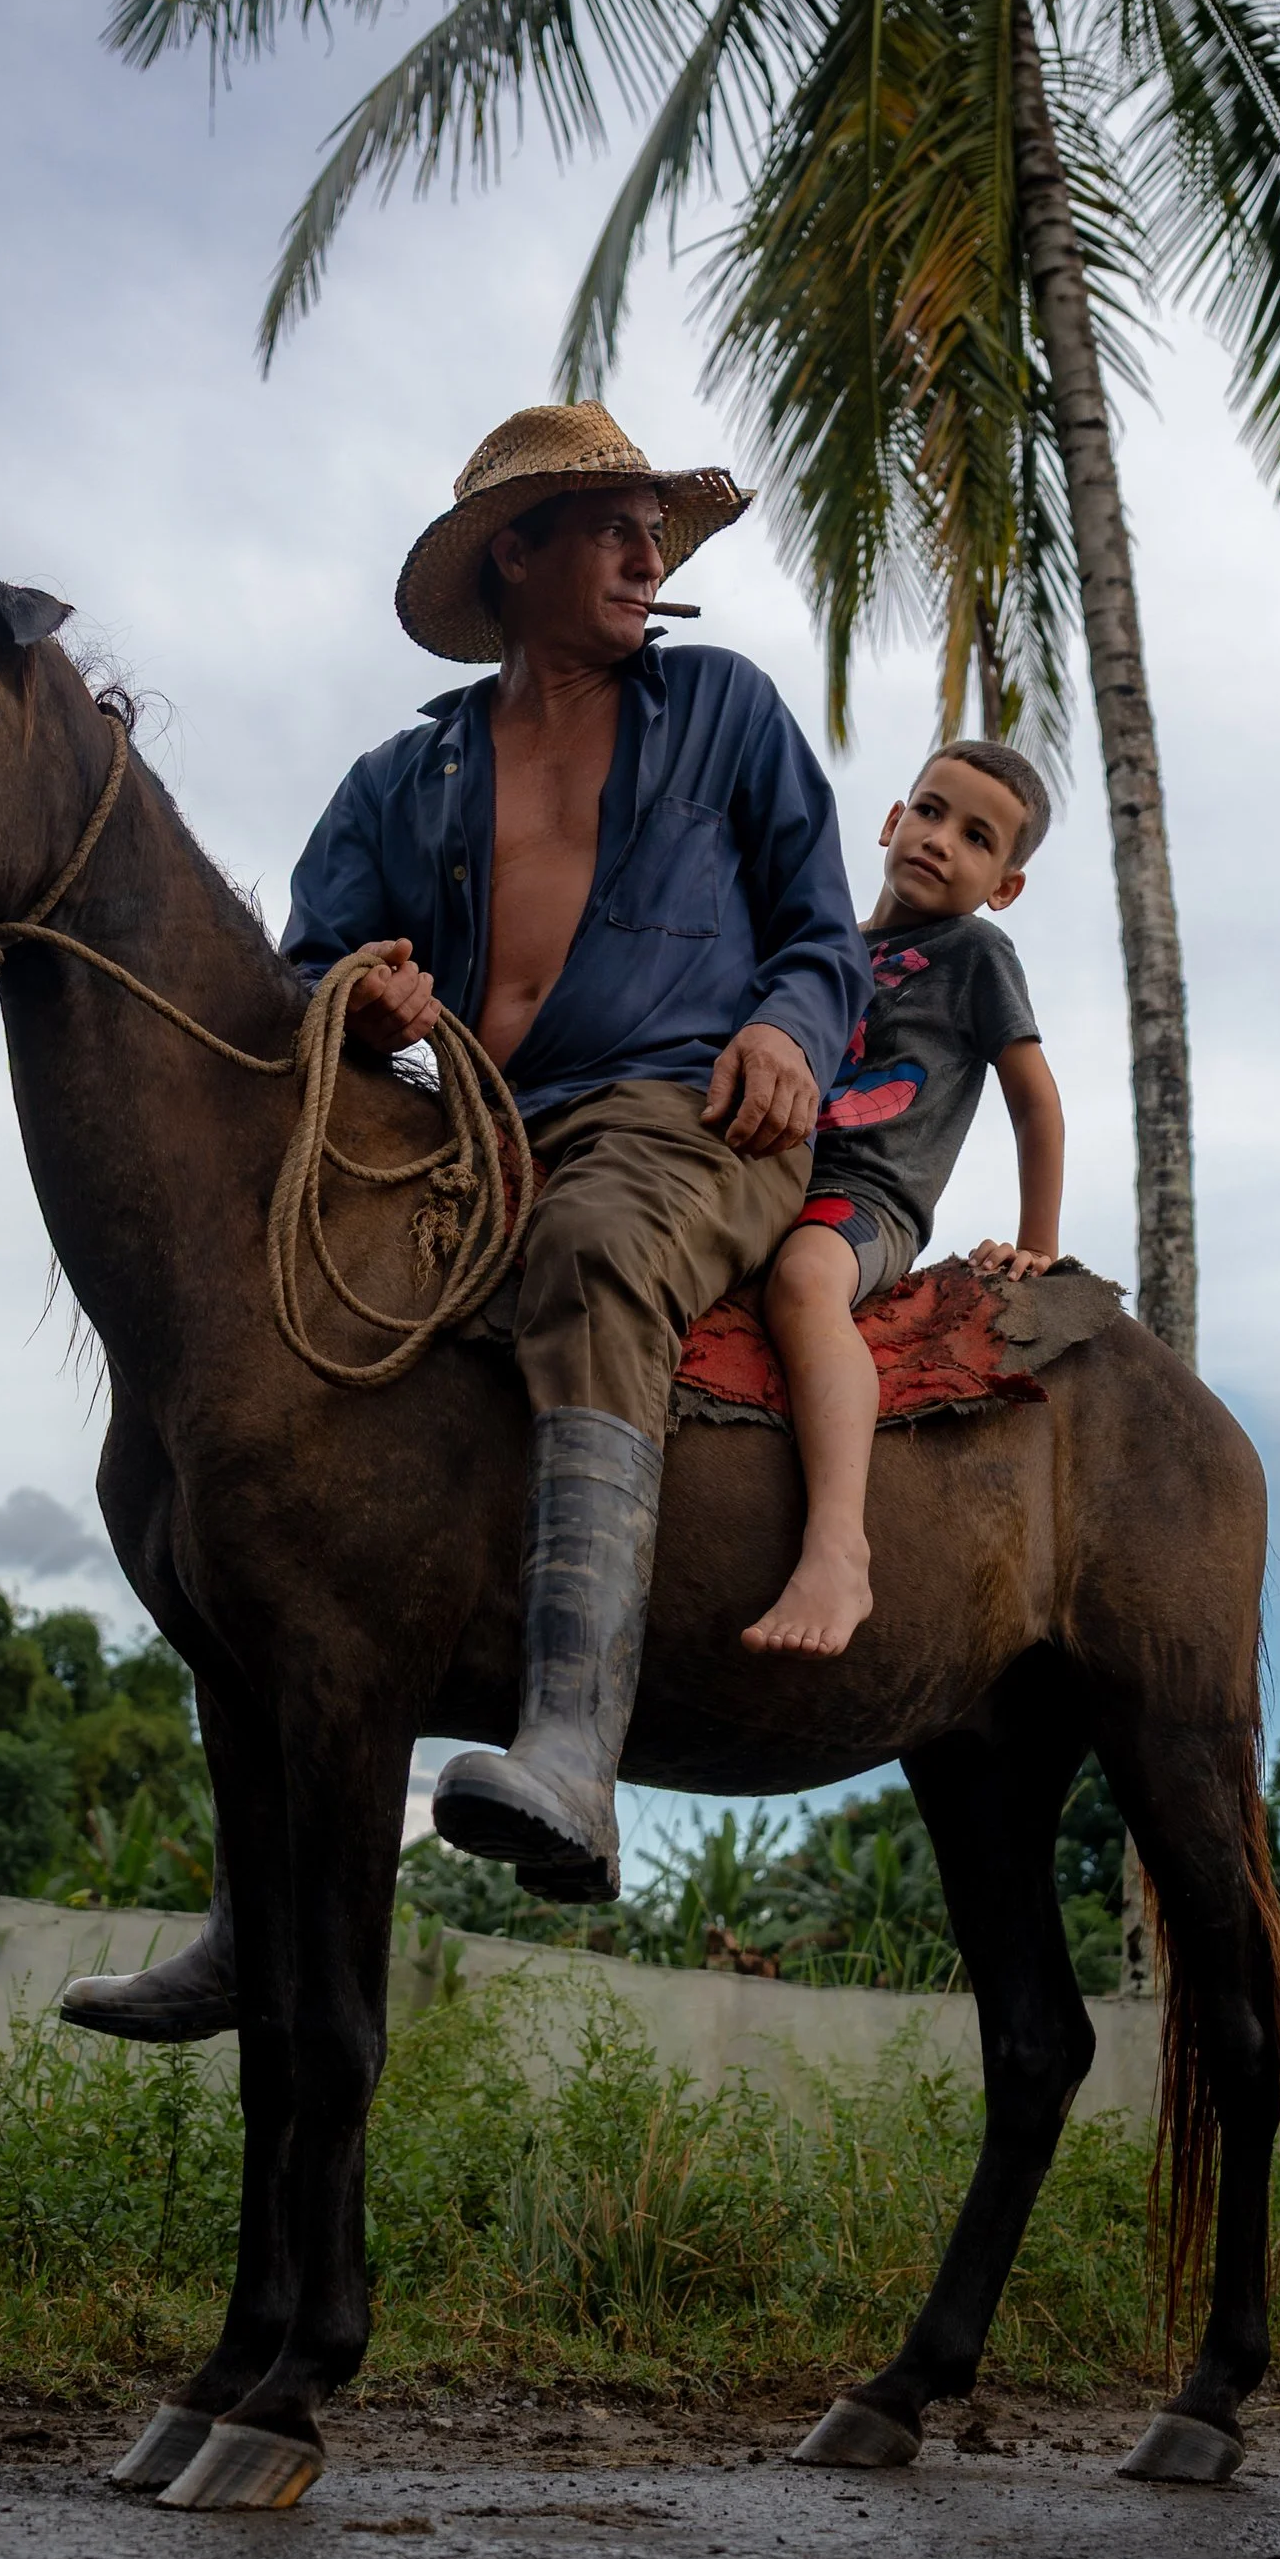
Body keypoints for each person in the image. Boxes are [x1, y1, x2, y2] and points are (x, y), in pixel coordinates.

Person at [283, 401, 870, 1901]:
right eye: (611, 524)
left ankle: (571, 1759)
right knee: (299, 1353)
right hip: (475, 1133)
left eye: (654, 526)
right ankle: (264, 1890)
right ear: (514, 552)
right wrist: (363, 1004)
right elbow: (304, 970)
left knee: (600, 1250)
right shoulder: (398, 782)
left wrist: (790, 1036)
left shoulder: (725, 706)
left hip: (686, 1115)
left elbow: (823, 934)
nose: (645, 548)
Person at [741, 739, 1065, 1661]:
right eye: (928, 811)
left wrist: (1038, 1241)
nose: (939, 840)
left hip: (864, 1200)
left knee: (804, 1284)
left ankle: (839, 1543)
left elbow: (1036, 1104)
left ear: (1003, 886)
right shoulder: (820, 946)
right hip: (768, 1172)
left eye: (976, 837)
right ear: (890, 821)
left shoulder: (976, 952)